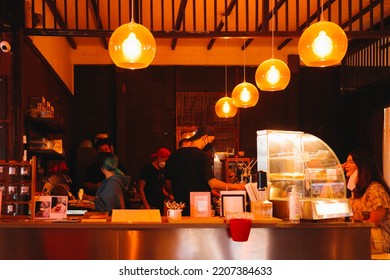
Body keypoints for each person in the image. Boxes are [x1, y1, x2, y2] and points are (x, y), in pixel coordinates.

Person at [165, 125, 245, 216]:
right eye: (210, 141)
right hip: (200, 208)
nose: (209, 145)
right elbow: (213, 183)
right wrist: (238, 187)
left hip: (179, 208)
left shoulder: (173, 156)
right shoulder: (201, 155)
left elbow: (168, 185)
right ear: (205, 137)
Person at [343, 149, 390, 253]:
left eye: (351, 162)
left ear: (363, 166)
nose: (345, 165)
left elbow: (374, 222)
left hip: (375, 243)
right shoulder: (356, 191)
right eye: (346, 162)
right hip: (359, 239)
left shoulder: (376, 190)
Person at [138, 147, 172, 215]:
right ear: (159, 158)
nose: (165, 163)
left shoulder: (161, 170)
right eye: (164, 161)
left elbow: (160, 187)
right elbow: (141, 187)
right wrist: (146, 205)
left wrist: (168, 196)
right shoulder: (147, 169)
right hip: (150, 204)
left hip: (159, 204)